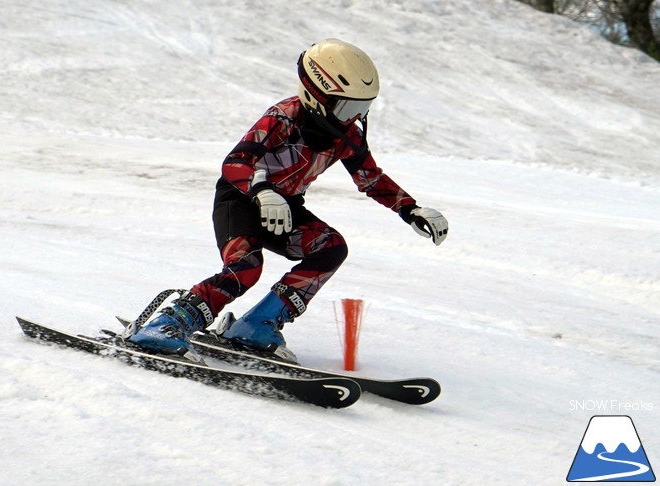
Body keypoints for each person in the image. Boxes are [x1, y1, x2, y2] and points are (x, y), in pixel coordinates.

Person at [127, 38, 448, 362]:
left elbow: (370, 178)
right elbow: (235, 162)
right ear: (318, 95)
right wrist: (262, 191)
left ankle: (256, 325)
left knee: (330, 247)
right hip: (240, 200)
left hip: (285, 209)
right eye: (348, 107)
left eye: (362, 108)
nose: (355, 117)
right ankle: (167, 324)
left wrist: (411, 209)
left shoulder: (346, 134)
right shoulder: (284, 117)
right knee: (246, 267)